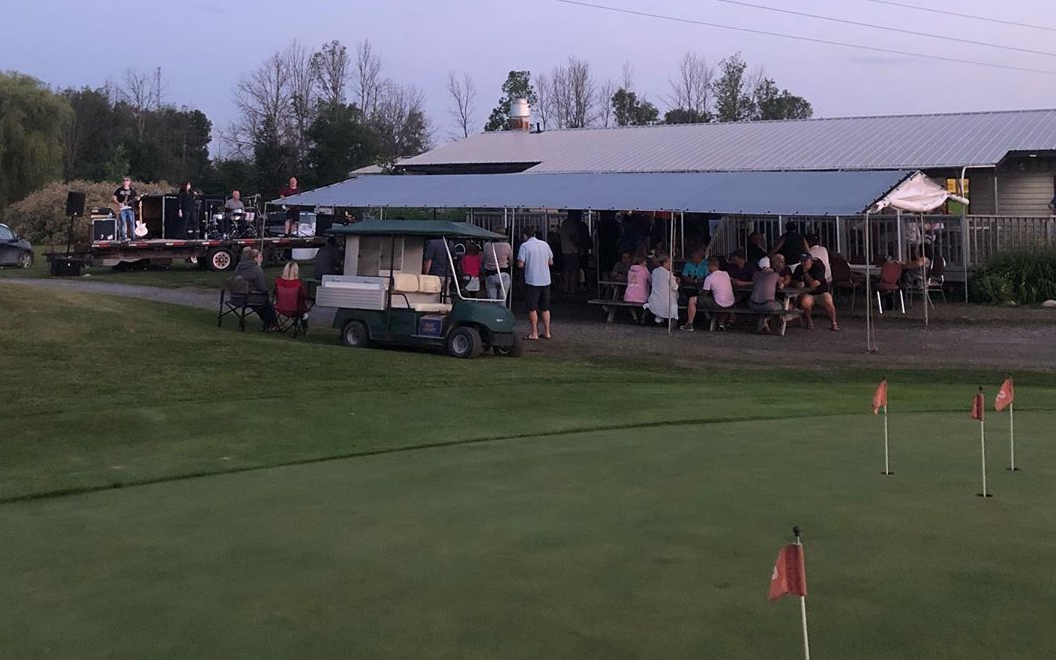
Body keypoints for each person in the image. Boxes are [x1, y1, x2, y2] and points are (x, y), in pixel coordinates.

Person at [517, 226, 554, 340]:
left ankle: (534, 332)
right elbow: (551, 262)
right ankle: (547, 332)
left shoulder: (524, 246)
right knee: (545, 308)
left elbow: (520, 264)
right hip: (546, 279)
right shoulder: (545, 244)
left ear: (525, 235)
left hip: (532, 280)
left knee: (532, 308)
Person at [682, 256, 735, 331]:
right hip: (730, 302)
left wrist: (701, 291)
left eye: (707, 265)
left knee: (692, 300)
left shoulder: (710, 278)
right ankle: (721, 324)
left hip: (719, 303)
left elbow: (704, 294)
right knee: (721, 299)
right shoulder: (726, 274)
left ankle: (689, 324)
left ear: (711, 266)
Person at [791, 253, 838, 331]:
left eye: (805, 261)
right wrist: (797, 284)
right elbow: (794, 280)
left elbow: (814, 284)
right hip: (808, 293)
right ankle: (809, 321)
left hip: (821, 292)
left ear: (811, 261)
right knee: (805, 302)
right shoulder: (799, 268)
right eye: (802, 261)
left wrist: (805, 273)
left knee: (828, 300)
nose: (803, 263)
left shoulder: (818, 267)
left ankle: (833, 322)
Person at [232, 248, 277, 329]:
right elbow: (263, 288)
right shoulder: (256, 269)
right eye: (260, 257)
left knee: (260, 304)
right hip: (247, 298)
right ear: (255, 258)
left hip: (235, 296)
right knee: (266, 303)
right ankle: (273, 324)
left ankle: (270, 323)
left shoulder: (239, 266)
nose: (262, 259)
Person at [748, 256, 784, 333]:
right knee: (782, 306)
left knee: (768, 303)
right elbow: (781, 286)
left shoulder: (756, 274)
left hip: (752, 304)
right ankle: (767, 320)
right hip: (767, 305)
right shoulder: (775, 274)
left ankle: (764, 323)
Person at [274, 262, 311, 331]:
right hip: (295, 309)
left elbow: (276, 293)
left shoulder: (278, 282)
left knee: (300, 307)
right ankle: (305, 330)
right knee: (304, 311)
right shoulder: (298, 283)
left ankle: (296, 322)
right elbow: (303, 295)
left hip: (280, 307)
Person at [645, 254, 679, 325]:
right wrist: (677, 282)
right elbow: (675, 287)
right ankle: (673, 318)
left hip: (654, 299)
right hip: (666, 300)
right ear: (665, 263)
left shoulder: (654, 271)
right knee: (675, 297)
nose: (671, 264)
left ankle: (659, 319)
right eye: (669, 262)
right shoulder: (669, 274)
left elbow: (651, 282)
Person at [558, 211, 581, 294]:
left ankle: (566, 288)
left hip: (565, 250)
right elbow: (572, 237)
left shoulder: (564, 223)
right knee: (573, 271)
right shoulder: (572, 224)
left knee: (566, 270)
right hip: (572, 251)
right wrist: (578, 244)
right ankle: (572, 288)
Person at [111, 176, 138, 241]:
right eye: (124, 180)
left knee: (132, 222)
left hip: (130, 208)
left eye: (127, 180)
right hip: (122, 209)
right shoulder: (119, 190)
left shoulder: (132, 190)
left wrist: (137, 199)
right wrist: (119, 203)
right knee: (122, 222)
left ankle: (133, 236)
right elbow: (113, 197)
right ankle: (123, 236)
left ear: (130, 182)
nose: (125, 181)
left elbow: (136, 198)